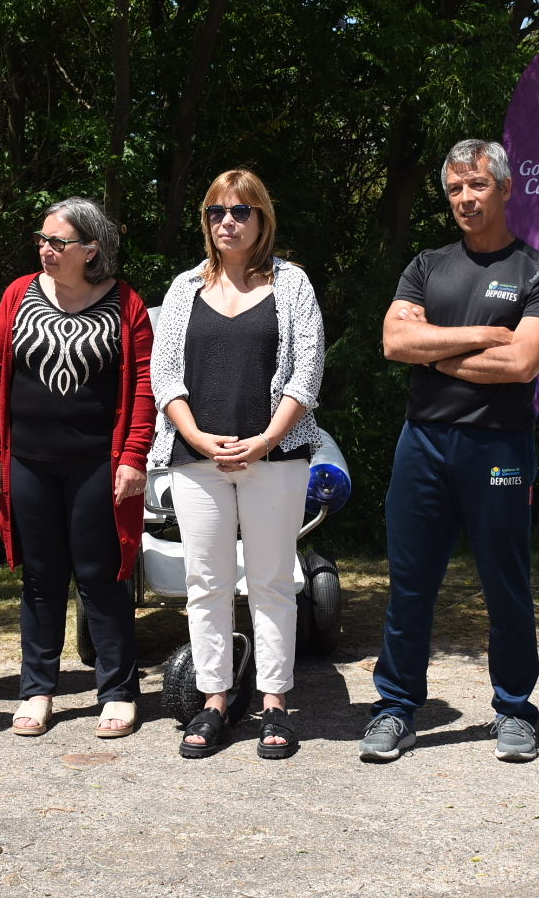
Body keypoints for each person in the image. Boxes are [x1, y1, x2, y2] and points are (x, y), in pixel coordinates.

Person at [358, 139, 539, 766]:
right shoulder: (426, 265)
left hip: (499, 447)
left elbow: (523, 361)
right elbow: (395, 342)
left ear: (504, 188)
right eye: (454, 190)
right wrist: (478, 337)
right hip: (422, 441)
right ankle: (395, 708)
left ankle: (515, 710)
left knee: (506, 584)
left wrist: (436, 351)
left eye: (476, 185)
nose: (465, 199)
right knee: (410, 583)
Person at [150, 169, 324, 760]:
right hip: (195, 459)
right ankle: (214, 701)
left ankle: (275, 706)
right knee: (207, 584)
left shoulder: (292, 283)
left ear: (262, 219)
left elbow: (308, 370)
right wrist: (196, 437)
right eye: (215, 212)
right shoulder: (183, 289)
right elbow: (164, 375)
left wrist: (267, 438)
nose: (227, 221)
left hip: (276, 457)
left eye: (240, 211)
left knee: (273, 584)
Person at [0, 198, 155, 738]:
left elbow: (144, 386)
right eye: (43, 240)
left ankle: (119, 692)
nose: (46, 250)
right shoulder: (18, 294)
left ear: (92, 249)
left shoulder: (127, 304)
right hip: (28, 461)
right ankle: (38, 690)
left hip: (96, 465)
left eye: (59, 242)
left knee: (102, 578)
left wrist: (133, 457)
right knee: (40, 579)